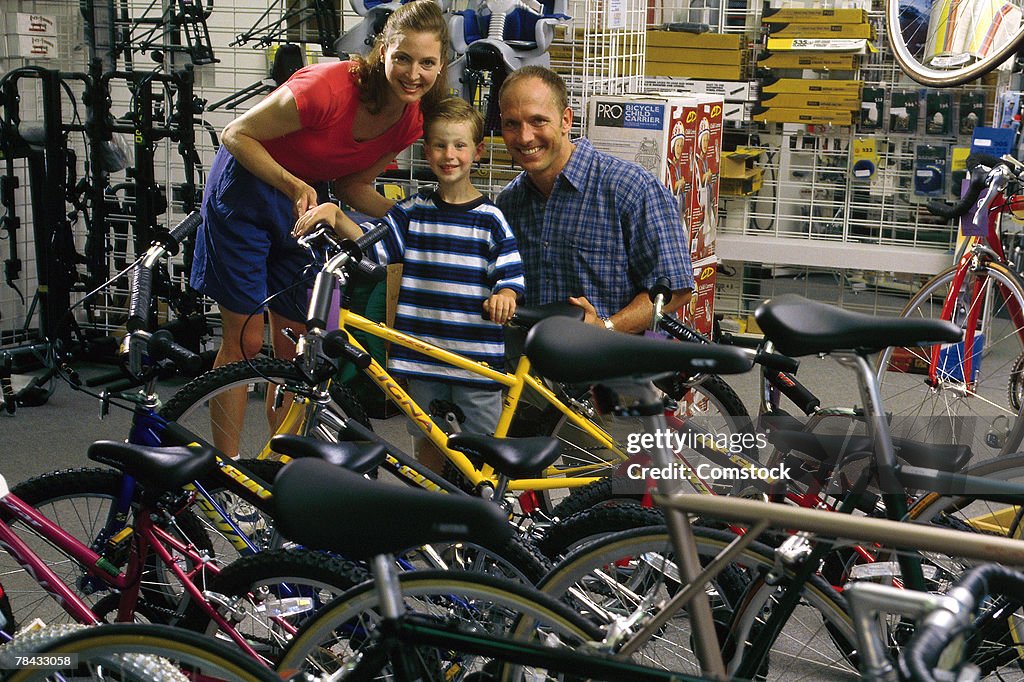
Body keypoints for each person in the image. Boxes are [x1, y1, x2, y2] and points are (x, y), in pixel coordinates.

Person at [189, 0, 448, 456]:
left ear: (441, 64)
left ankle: (277, 471)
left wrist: (415, 216)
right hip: (249, 190)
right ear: (382, 50)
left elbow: (354, 185)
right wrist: (292, 184)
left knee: (295, 347)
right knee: (246, 341)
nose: (413, 73)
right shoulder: (328, 86)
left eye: (427, 62)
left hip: (304, 203)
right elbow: (235, 134)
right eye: (403, 58)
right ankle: (224, 472)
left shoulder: (411, 119)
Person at [294, 98, 525, 474]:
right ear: (425, 150)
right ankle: (434, 510)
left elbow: (511, 271)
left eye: (460, 145)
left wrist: (506, 294)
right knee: (428, 442)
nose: (449, 155)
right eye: (439, 145)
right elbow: (376, 247)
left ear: (478, 152)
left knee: (483, 450)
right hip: (421, 356)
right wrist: (335, 214)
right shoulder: (412, 212)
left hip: (475, 359)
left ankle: (489, 511)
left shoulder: (491, 219)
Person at [495, 65, 694, 333]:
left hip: (613, 365)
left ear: (566, 120)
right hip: (532, 367)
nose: (524, 136)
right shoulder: (508, 203)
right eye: (511, 124)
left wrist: (604, 329)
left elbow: (676, 291)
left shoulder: (631, 189)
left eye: (538, 120)